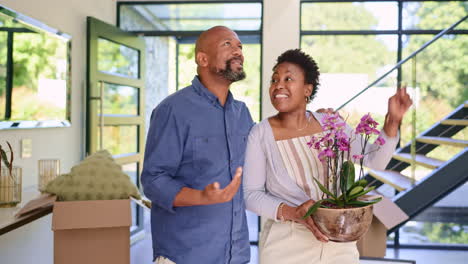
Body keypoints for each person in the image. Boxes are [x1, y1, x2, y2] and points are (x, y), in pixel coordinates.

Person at [243, 49, 412, 264]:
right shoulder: (260, 133)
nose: (278, 85)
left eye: (288, 78)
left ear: (307, 89)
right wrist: (293, 212)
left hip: (338, 246)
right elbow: (250, 195)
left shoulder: (331, 123)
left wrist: (392, 122)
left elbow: (374, 160)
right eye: (274, 79)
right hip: (285, 246)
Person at [141, 26, 253, 264]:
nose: (238, 51)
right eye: (228, 44)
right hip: (185, 254)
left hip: (236, 254)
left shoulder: (242, 114)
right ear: (202, 59)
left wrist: (314, 118)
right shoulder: (172, 110)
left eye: (240, 46)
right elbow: (153, 181)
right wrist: (202, 197)